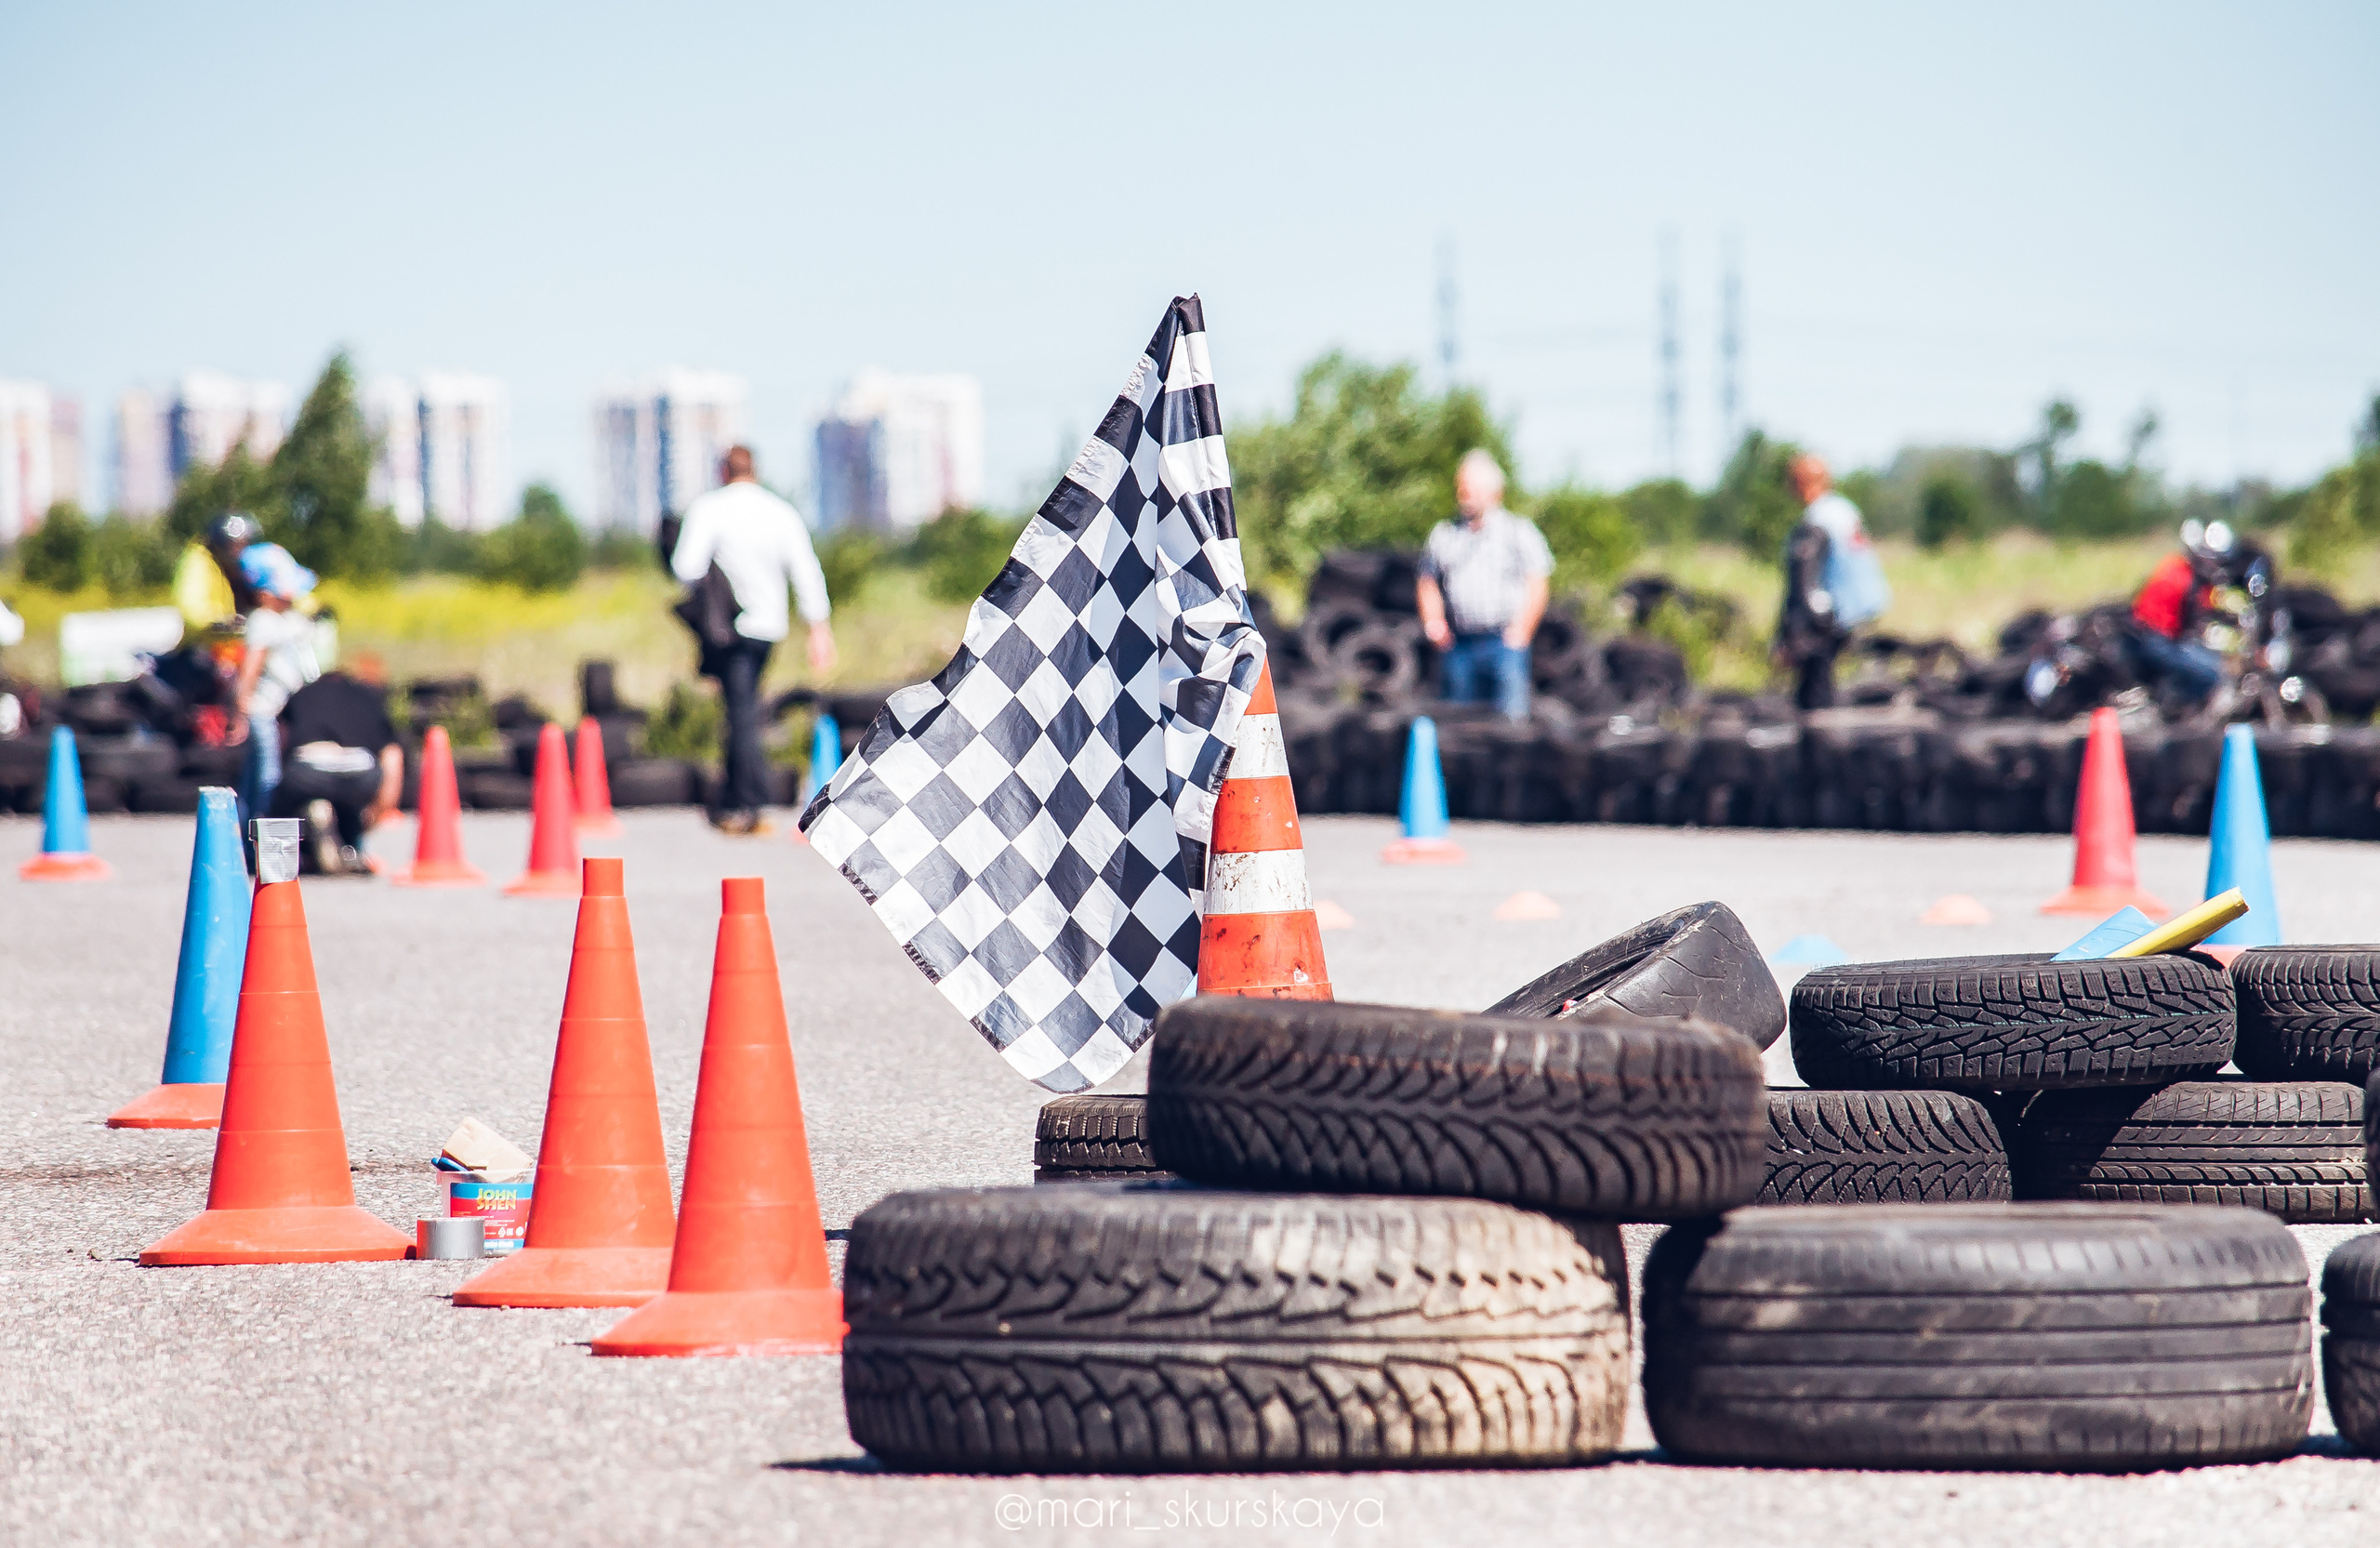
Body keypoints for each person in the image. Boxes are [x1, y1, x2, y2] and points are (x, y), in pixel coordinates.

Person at [668, 444, 835, 834]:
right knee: (741, 707)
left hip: (729, 629)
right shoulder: (781, 512)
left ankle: (749, 803)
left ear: (722, 471)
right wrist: (819, 630)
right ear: (755, 470)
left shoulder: (709, 509)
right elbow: (806, 571)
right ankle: (732, 799)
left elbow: (685, 568)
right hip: (768, 630)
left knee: (740, 713)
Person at [1416, 449, 1552, 721]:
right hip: (1459, 645)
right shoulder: (1444, 534)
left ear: (1494, 491)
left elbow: (1538, 581)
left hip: (1503, 644)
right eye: (1461, 489)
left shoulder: (1518, 531)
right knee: (1459, 726)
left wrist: (1521, 632)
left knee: (1510, 722)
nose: (1463, 495)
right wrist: (1433, 622)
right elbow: (1427, 580)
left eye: (1469, 489)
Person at [1775, 454, 1889, 710]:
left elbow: (1802, 581)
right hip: (1861, 605)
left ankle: (1820, 736)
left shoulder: (1815, 521)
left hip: (1829, 612)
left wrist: (1789, 633)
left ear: (1801, 483)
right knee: (1827, 678)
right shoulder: (1844, 510)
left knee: (1814, 686)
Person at [271, 655, 403, 876]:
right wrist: (381, 808)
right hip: (359, 769)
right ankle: (350, 847)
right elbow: (392, 755)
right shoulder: (368, 697)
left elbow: (281, 741)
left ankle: (288, 853)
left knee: (287, 804)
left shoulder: (303, 694)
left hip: (310, 765)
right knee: (350, 804)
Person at [233, 542, 323, 824]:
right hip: (264, 712)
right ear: (264, 593)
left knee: (260, 774)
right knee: (267, 777)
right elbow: (250, 668)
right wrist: (240, 710)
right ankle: (259, 837)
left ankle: (249, 835)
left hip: (286, 712)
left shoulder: (288, 619)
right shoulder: (263, 620)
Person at [2126, 520, 2230, 703]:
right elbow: (2191, 622)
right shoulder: (2187, 580)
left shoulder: (2175, 565)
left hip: (2148, 634)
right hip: (2157, 640)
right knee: (2213, 672)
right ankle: (2183, 708)